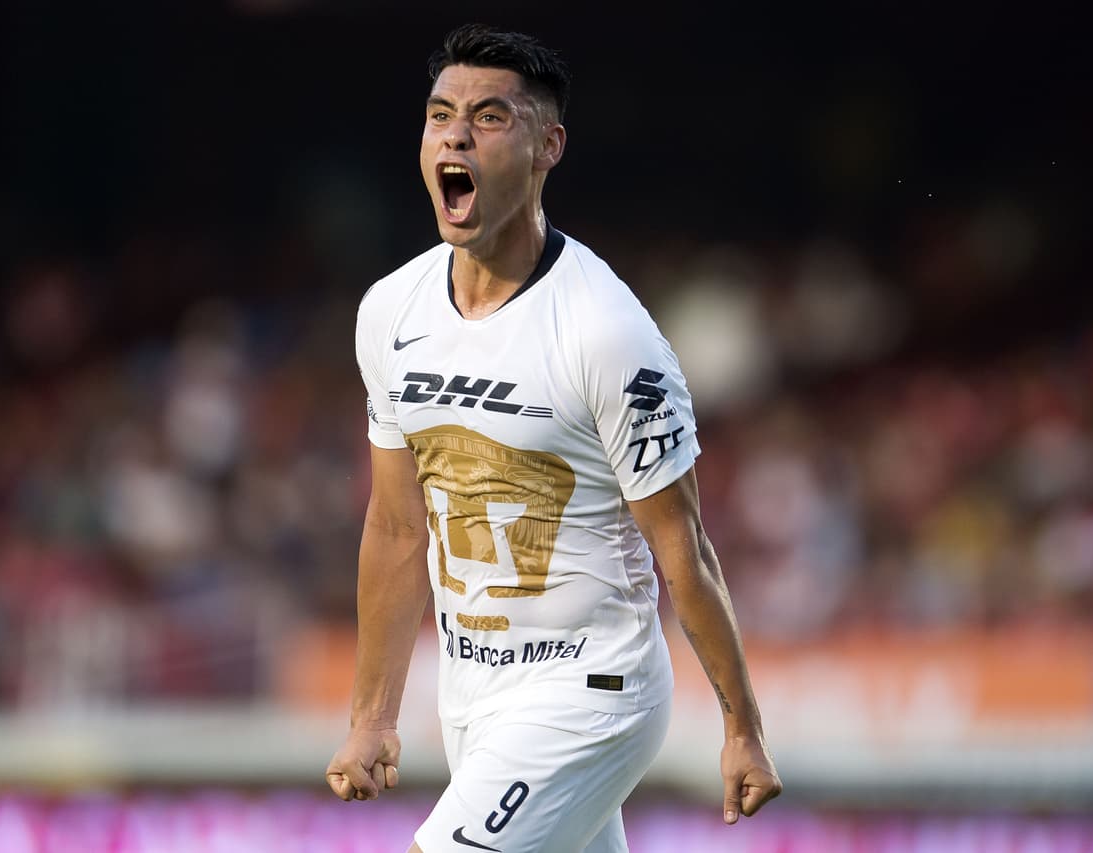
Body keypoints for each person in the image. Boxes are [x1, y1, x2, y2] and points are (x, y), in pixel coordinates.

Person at [326, 23, 781, 852]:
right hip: (470, 696)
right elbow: (396, 525)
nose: (456, 133)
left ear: (548, 145)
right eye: (440, 115)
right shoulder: (390, 312)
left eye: (491, 117)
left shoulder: (608, 335)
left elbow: (684, 547)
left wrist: (741, 725)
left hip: (591, 691)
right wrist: (373, 715)